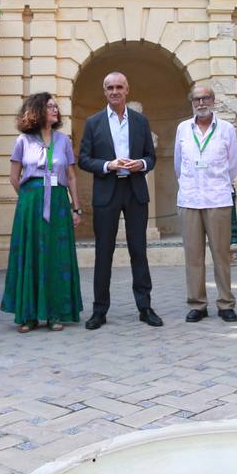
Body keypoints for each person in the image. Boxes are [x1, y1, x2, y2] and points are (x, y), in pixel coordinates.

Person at [78, 71, 161, 329]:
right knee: (104, 253)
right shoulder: (93, 122)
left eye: (119, 87)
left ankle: (145, 308)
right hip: (107, 191)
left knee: (139, 251)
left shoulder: (140, 121)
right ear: (105, 92)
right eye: (110, 87)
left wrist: (142, 164)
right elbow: (83, 159)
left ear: (127, 90)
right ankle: (99, 311)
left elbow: (151, 156)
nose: (114, 91)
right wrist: (108, 165)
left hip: (135, 190)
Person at [1, 92, 84, 332]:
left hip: (58, 202)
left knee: (56, 256)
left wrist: (75, 207)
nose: (55, 110)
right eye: (50, 106)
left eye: (56, 107)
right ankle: (28, 315)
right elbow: (14, 177)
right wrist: (30, 198)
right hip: (31, 203)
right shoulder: (23, 141)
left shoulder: (63, 141)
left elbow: (70, 176)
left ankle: (55, 313)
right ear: (37, 110)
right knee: (31, 255)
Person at [174, 84, 237, 322]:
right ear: (191, 103)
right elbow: (178, 165)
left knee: (221, 254)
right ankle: (197, 304)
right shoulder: (182, 129)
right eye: (196, 99)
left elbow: (232, 166)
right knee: (193, 255)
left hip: (217, 199)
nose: (201, 103)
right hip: (190, 199)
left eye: (205, 98)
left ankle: (225, 303)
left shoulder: (226, 129)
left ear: (213, 100)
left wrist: (218, 184)